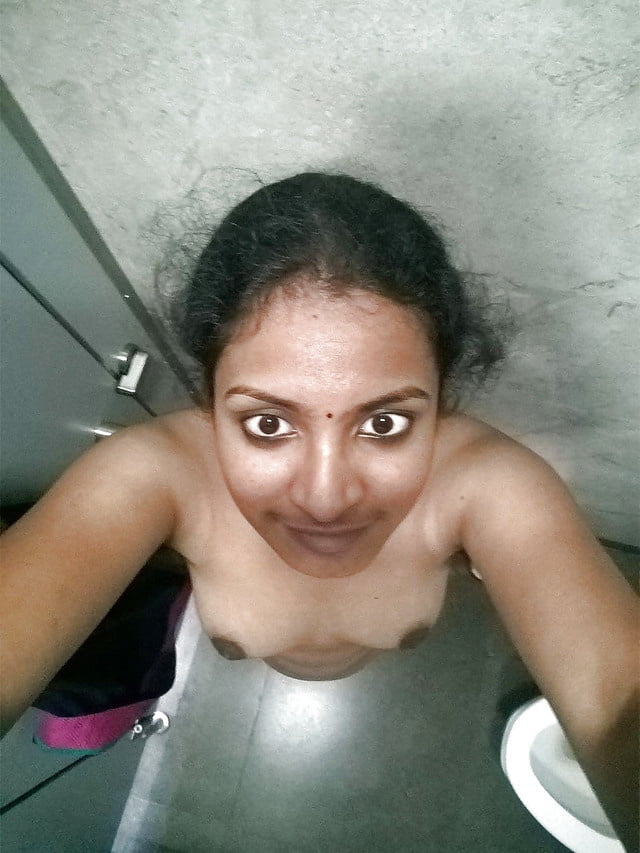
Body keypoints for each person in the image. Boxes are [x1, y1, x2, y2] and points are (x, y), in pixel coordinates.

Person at [1, 173, 637, 848]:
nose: (326, 498)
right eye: (268, 424)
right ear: (210, 398)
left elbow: (618, 698)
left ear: (441, 402)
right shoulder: (151, 473)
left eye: (385, 422)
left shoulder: (490, 482)